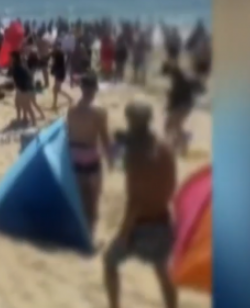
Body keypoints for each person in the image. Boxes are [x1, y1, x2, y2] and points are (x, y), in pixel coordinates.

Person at [103, 101, 177, 308]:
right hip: (163, 219)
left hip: (141, 225)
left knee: (110, 261)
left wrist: (124, 233)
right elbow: (171, 185)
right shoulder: (165, 148)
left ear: (131, 121)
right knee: (163, 271)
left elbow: (135, 201)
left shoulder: (136, 157)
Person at [66, 72, 112, 238]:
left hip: (74, 154)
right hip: (91, 155)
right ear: (95, 88)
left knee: (79, 197)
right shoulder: (99, 110)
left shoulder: (71, 109)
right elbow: (104, 137)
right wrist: (110, 158)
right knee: (93, 199)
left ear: (81, 87)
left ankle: (76, 232)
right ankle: (89, 236)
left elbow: (68, 133)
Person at [162, 58, 203, 156]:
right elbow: (199, 88)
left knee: (171, 126)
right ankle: (178, 143)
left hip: (181, 105)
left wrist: (169, 105)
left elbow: (175, 95)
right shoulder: (183, 76)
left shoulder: (179, 79)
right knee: (173, 126)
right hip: (186, 104)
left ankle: (182, 141)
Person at [10, 51, 44, 126]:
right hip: (25, 88)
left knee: (27, 106)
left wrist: (22, 89)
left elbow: (23, 79)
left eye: (11, 58)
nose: (10, 59)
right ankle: (24, 119)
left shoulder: (19, 67)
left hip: (25, 89)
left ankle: (34, 122)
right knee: (22, 104)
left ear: (14, 58)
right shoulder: (19, 66)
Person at [50, 41, 73, 110]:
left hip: (60, 73)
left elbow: (57, 63)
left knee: (55, 89)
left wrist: (53, 70)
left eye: (55, 46)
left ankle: (55, 104)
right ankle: (69, 98)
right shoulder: (57, 53)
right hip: (59, 73)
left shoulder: (59, 53)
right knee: (57, 90)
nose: (53, 47)